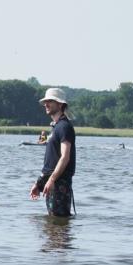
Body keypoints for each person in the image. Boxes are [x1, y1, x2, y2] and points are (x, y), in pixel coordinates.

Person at [31, 87, 76, 217]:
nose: (46, 104)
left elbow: (65, 157)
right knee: (52, 226)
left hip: (60, 183)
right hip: (52, 182)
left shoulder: (64, 126)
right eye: (45, 101)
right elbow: (52, 161)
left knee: (58, 227)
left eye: (50, 101)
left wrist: (51, 180)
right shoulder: (56, 127)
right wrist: (39, 183)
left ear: (60, 104)